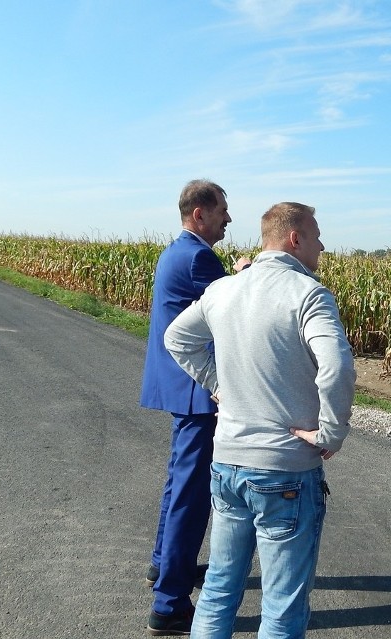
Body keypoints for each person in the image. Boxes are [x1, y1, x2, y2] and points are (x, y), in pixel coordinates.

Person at [163, 202, 355, 639]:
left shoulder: (224, 290)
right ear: (295, 239)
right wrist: (331, 430)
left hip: (227, 463)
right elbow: (338, 367)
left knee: (219, 589)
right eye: (317, 234)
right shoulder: (308, 294)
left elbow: (177, 338)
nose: (322, 245)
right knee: (283, 604)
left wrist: (218, 385)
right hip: (285, 469)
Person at [140, 179, 250, 636]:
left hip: (178, 385)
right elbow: (231, 310)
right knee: (191, 492)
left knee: (177, 482)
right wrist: (243, 278)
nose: (228, 217)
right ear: (199, 213)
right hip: (196, 390)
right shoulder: (199, 256)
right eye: (222, 209)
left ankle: (166, 564)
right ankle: (169, 603)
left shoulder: (177, 252)